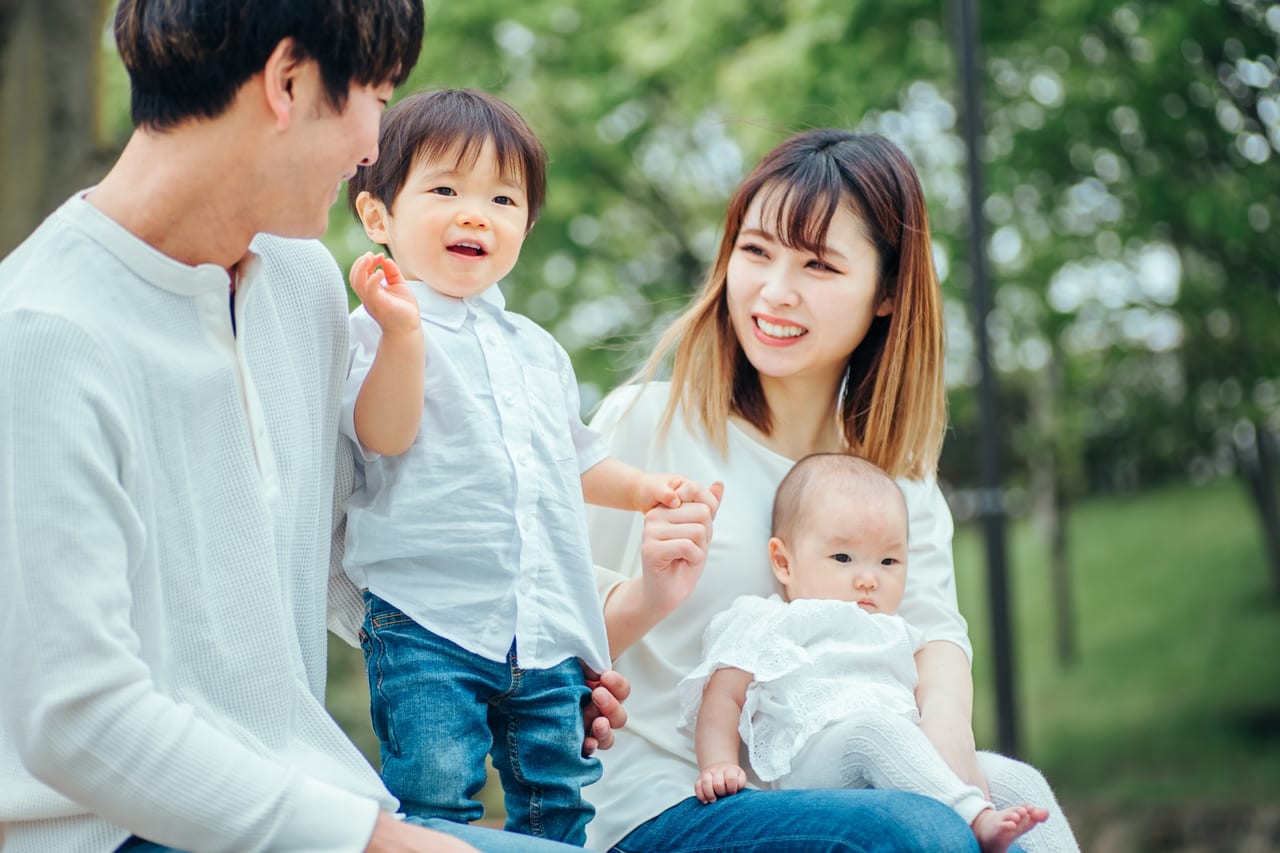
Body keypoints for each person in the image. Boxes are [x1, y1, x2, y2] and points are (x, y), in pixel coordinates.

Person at [0, 5, 629, 853]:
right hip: (117, 834)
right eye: (375, 95)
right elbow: (76, 719)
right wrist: (374, 841)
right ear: (288, 83)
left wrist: (533, 646)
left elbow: (343, 542)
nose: (374, 149)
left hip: (315, 796)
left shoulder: (297, 282)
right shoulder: (43, 333)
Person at [584, 129, 1081, 852]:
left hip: (838, 772)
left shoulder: (898, 481)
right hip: (666, 800)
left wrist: (969, 796)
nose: (775, 291)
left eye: (818, 264)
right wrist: (649, 595)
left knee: (1020, 796)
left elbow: (936, 665)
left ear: (885, 293)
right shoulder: (645, 426)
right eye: (756, 252)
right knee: (913, 829)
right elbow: (547, 631)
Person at [339, 88, 695, 847]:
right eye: (444, 189)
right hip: (426, 617)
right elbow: (384, 434)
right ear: (378, 217)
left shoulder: (536, 347)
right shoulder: (376, 327)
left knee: (558, 803)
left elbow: (571, 459)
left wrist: (647, 491)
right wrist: (400, 336)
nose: (475, 214)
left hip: (543, 627)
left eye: (503, 198)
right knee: (436, 798)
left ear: (525, 226)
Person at [680, 453, 1048, 853]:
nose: (869, 578)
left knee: (1019, 780)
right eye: (843, 558)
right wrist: (717, 764)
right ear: (783, 562)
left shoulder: (900, 633)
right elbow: (722, 694)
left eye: (888, 560)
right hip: (813, 755)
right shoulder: (772, 620)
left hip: (901, 754)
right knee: (875, 731)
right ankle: (975, 820)